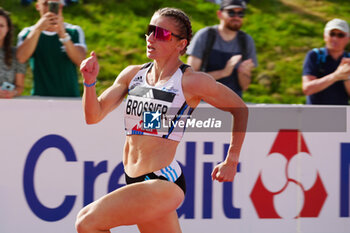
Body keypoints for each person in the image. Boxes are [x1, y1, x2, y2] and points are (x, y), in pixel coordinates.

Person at [75, 7, 248, 233]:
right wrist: (89, 83)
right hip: (135, 179)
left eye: (162, 34)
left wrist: (231, 160)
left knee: (87, 221)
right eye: (150, 30)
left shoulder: (191, 81)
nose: (151, 38)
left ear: (181, 44)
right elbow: (93, 116)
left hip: (163, 183)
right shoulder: (132, 75)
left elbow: (240, 110)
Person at [187, 0, 257, 98]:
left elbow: (245, 86)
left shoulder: (246, 41)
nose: (236, 17)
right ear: (219, 14)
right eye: (231, 12)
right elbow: (190, 78)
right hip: (203, 103)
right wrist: (223, 72)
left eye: (240, 13)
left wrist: (243, 72)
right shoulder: (206, 36)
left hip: (232, 105)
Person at [16, 0, 86, 97]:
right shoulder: (27, 33)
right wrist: (38, 29)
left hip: (70, 96)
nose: (49, 8)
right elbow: (20, 58)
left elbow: (81, 61)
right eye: (45, 4)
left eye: (54, 4)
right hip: (40, 96)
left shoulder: (74, 31)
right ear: (37, 6)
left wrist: (62, 34)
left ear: (61, 6)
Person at [302, 18, 350, 105]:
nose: (335, 38)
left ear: (348, 38)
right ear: (325, 36)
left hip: (342, 114)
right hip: (316, 113)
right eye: (332, 34)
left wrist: (347, 77)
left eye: (340, 35)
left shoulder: (348, 60)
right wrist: (336, 76)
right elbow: (307, 89)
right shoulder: (315, 55)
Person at [0, 8, 26, 99]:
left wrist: (13, 93)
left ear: (8, 29)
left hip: (9, 108)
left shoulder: (16, 54)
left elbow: (20, 87)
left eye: (1, 26)